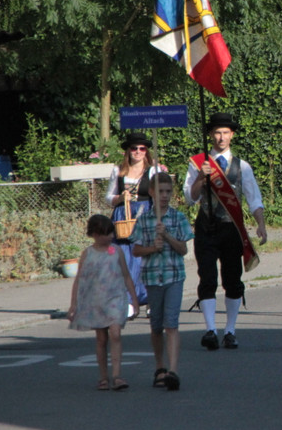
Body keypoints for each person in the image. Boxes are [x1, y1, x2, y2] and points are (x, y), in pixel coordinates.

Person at [183, 112, 267, 351]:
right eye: (217, 132)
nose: (221, 137)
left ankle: (230, 330)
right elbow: (190, 198)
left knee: (232, 279)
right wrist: (201, 177)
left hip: (231, 229)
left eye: (225, 133)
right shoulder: (198, 163)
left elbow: (254, 198)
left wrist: (260, 224)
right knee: (207, 277)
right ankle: (210, 329)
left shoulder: (243, 166)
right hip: (206, 227)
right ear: (210, 135)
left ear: (231, 135)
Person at [131, 173, 194, 391]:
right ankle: (160, 367)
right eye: (160, 191)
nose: (165, 196)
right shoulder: (144, 219)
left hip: (173, 276)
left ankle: (173, 370)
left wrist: (166, 236)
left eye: (168, 191)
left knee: (171, 324)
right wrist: (152, 247)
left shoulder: (178, 218)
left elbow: (183, 249)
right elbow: (136, 249)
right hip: (152, 277)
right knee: (156, 325)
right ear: (152, 193)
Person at [66, 214, 140, 391]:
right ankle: (103, 377)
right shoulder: (88, 254)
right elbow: (79, 280)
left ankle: (117, 375)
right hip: (96, 301)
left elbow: (126, 276)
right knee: (101, 338)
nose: (111, 237)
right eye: (107, 234)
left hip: (115, 299)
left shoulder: (117, 251)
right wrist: (73, 304)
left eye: (111, 233)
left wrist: (134, 301)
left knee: (115, 333)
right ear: (95, 234)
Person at [105, 132, 164, 317]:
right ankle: (129, 301)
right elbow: (108, 197)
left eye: (142, 148)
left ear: (146, 152)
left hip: (145, 215)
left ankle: (151, 300)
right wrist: (120, 198)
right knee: (125, 260)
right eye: (134, 148)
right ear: (128, 151)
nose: (137, 152)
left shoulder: (154, 171)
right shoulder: (118, 171)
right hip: (123, 217)